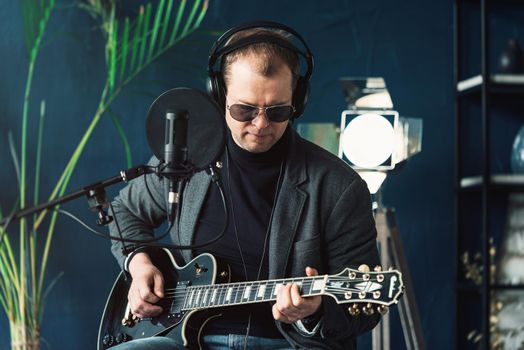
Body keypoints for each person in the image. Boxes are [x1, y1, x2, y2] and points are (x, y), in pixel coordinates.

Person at [108, 21, 380, 350]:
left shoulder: (339, 187)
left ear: (298, 100)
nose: (261, 124)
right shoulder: (188, 159)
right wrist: (139, 265)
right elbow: (123, 210)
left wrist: (314, 309)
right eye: (244, 109)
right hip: (180, 339)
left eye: (278, 110)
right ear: (218, 95)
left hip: (289, 343)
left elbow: (367, 309)